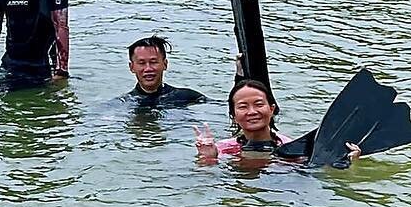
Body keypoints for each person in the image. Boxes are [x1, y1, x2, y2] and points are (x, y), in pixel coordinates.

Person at [194, 80, 361, 164]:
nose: (252, 112)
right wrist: (208, 160)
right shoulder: (223, 149)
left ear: (272, 109)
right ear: (233, 115)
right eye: (243, 106)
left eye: (259, 104)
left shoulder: (293, 148)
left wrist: (348, 161)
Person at [120, 36, 207, 108]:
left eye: (153, 62)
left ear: (165, 64)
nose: (148, 69)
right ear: (132, 67)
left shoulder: (189, 97)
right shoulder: (123, 103)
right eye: (142, 63)